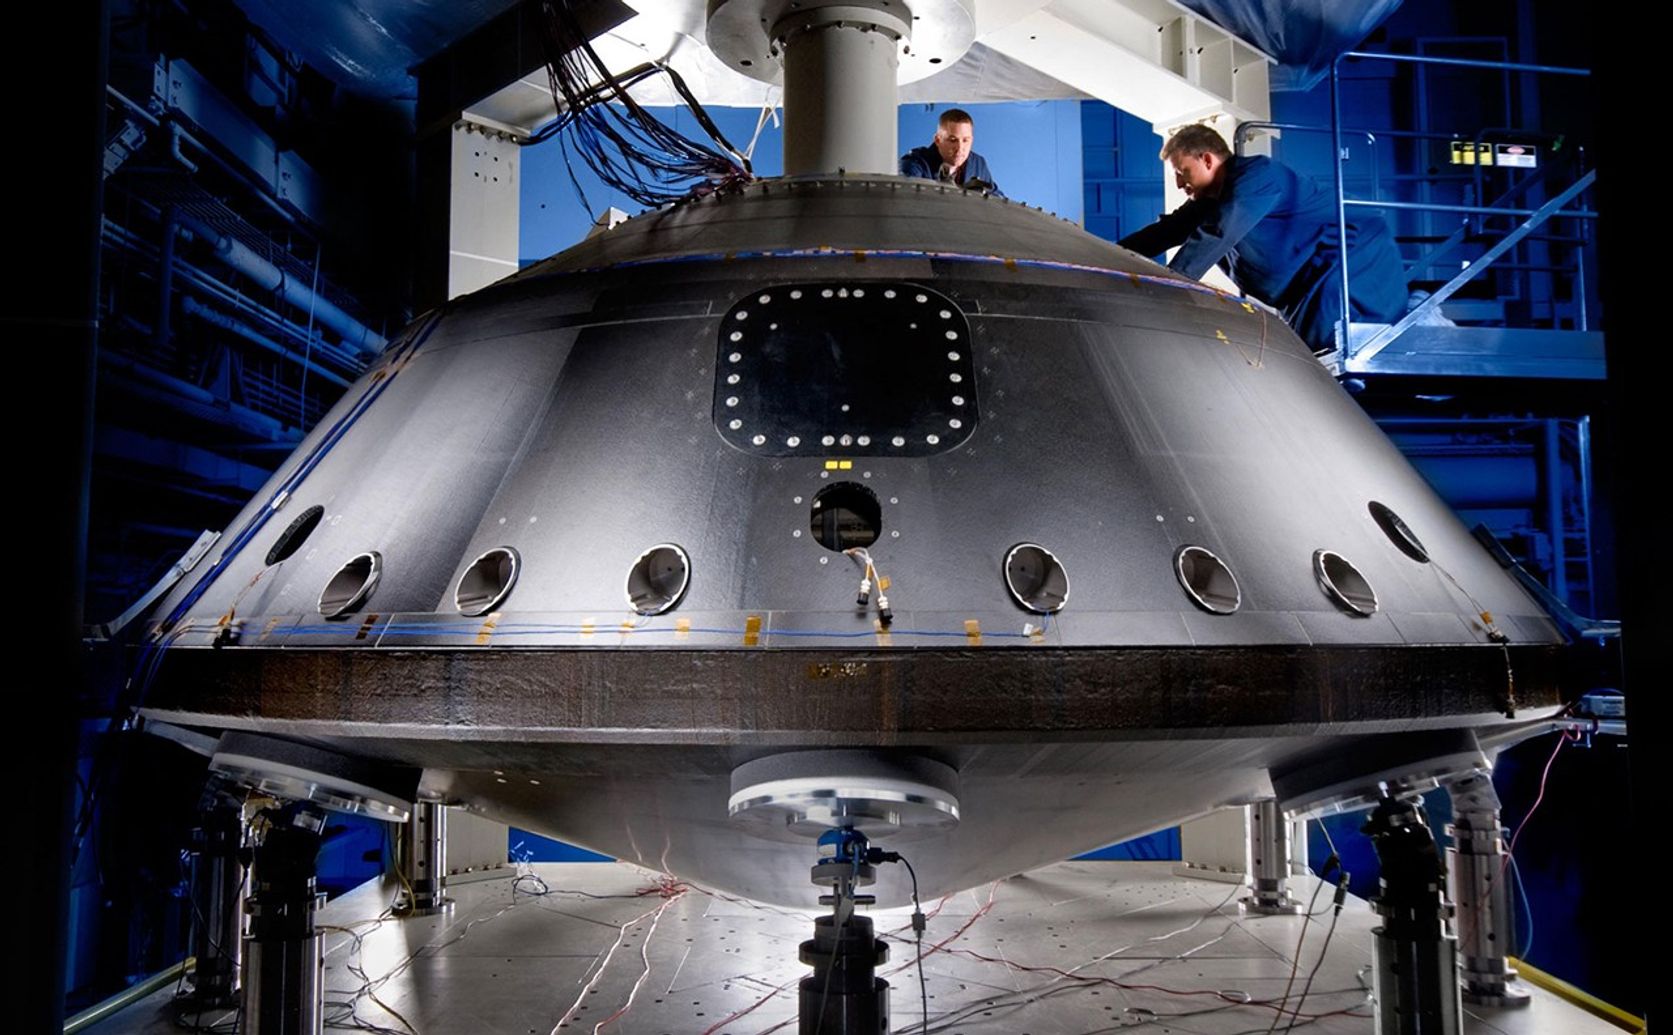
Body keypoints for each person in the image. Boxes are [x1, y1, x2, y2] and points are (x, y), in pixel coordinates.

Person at [1118, 124, 1407, 353]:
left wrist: (1168, 287)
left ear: (1206, 159)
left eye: (1182, 172)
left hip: (1352, 263)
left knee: (1324, 346)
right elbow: (1166, 231)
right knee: (1309, 349)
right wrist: (1106, 252)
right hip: (1304, 288)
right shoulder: (1210, 200)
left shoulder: (1258, 176)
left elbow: (1219, 231)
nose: (1179, 183)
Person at [900, 109, 1003, 195]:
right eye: (953, 140)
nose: (960, 148)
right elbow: (904, 197)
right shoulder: (915, 164)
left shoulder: (978, 165)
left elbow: (996, 198)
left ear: (972, 140)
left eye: (965, 140)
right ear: (937, 140)